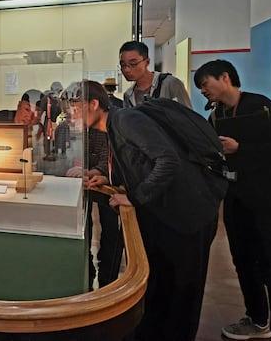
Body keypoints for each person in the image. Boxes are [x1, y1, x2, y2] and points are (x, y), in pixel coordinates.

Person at [76, 80, 223, 341]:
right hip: (166, 214)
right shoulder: (115, 126)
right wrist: (106, 178)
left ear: (94, 104)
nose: (71, 115)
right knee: (162, 285)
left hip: (187, 215)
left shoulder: (126, 120)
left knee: (182, 293)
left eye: (75, 108)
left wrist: (133, 197)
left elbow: (168, 161)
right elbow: (137, 163)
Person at [194, 59, 271, 341]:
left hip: (270, 201)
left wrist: (240, 148)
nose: (203, 91)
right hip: (235, 200)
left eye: (205, 84)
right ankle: (257, 319)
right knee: (243, 260)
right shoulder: (215, 116)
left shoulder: (262, 107)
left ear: (225, 77)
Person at [119, 40, 191, 108]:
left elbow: (188, 114)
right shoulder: (128, 95)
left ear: (147, 62)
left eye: (133, 63)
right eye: (123, 65)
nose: (126, 70)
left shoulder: (170, 84)